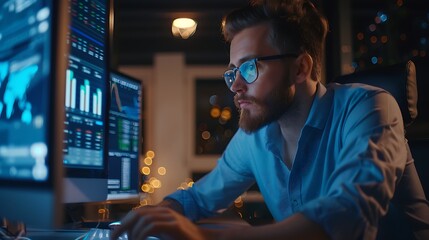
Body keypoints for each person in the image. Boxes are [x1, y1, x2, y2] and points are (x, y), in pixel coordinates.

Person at [112, 0, 429, 239]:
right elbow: (196, 198)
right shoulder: (255, 137)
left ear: (300, 69)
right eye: (232, 72)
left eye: (249, 68)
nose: (235, 85)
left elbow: (348, 213)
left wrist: (209, 236)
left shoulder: (370, 107)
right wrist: (162, 214)